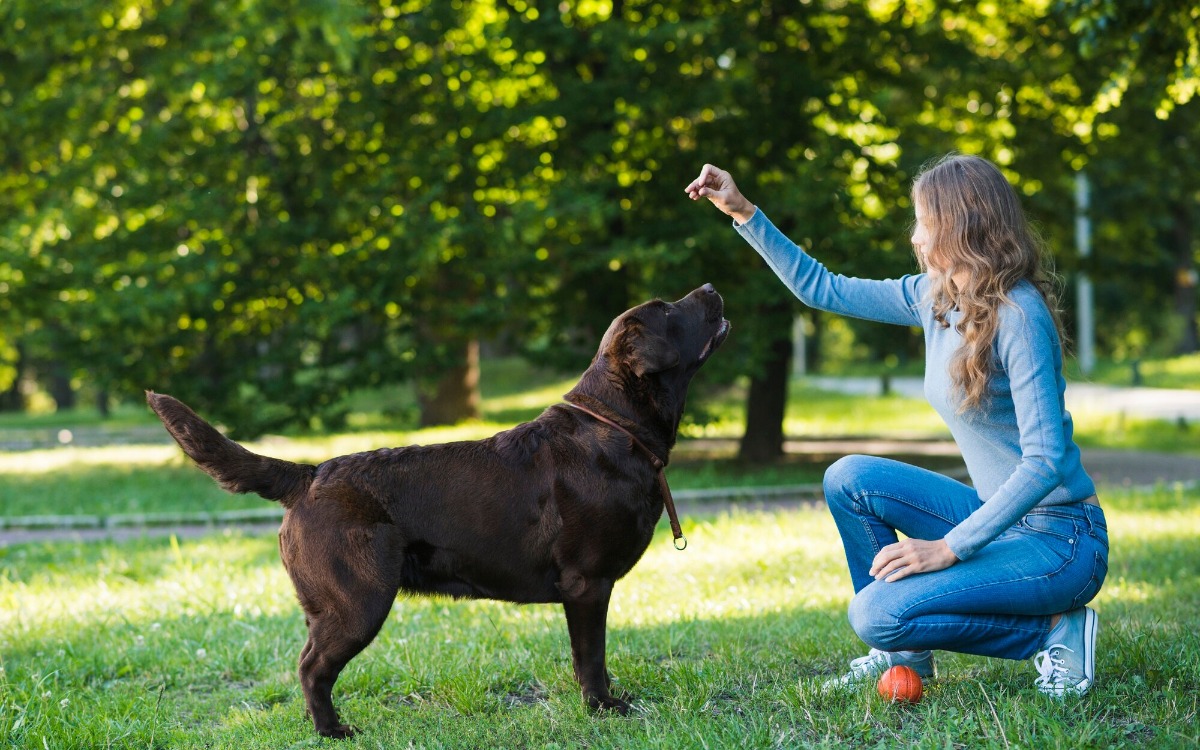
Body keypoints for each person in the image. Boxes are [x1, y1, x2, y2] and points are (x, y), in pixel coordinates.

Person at [685, 154, 1109, 697]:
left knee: (875, 612)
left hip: (1062, 540)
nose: (915, 236)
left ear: (962, 225)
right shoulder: (935, 298)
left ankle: (1059, 629)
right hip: (999, 518)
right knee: (850, 478)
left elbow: (1046, 461)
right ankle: (903, 653)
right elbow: (823, 288)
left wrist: (949, 547)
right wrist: (743, 211)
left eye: (924, 221)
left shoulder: (1019, 317)